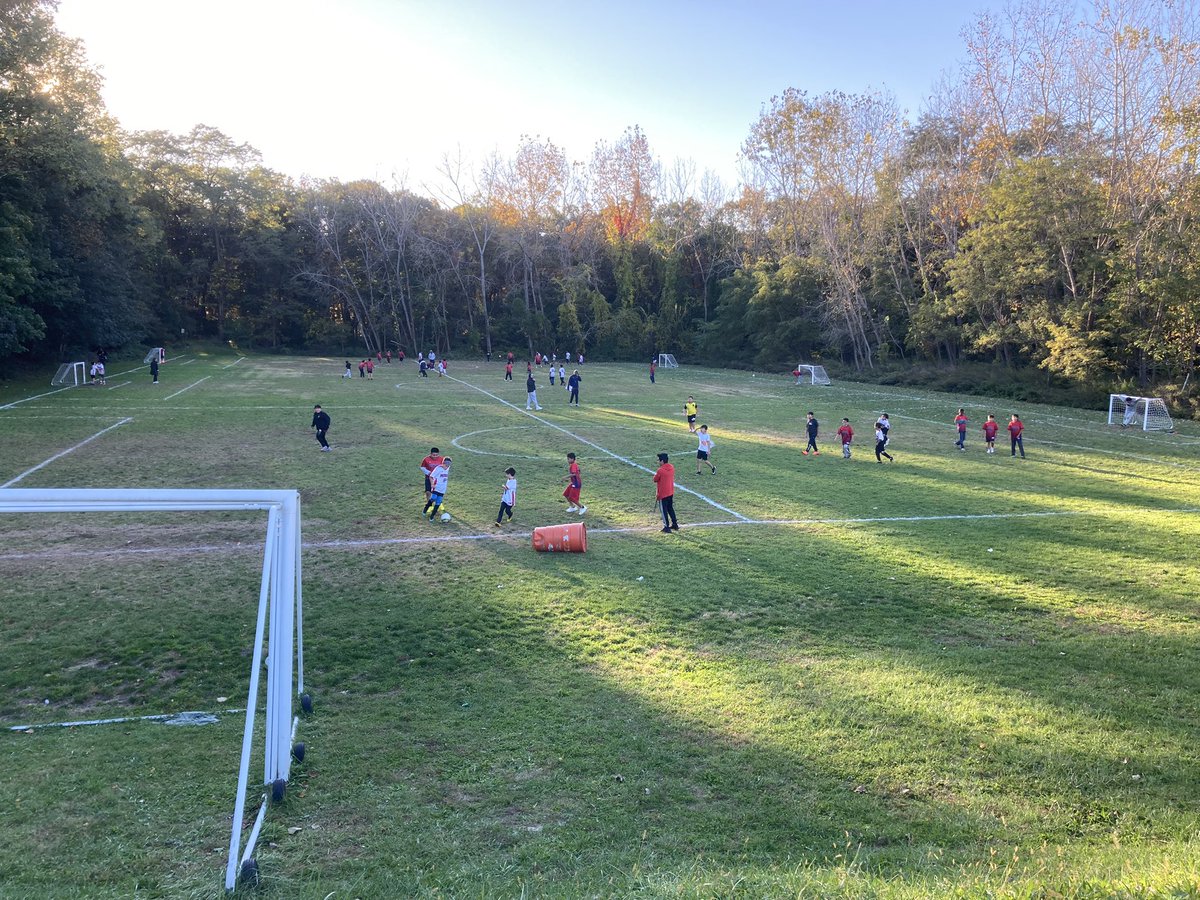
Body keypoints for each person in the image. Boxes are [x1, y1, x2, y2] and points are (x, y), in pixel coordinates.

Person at [654, 452, 679, 532]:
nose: (658, 462)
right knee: (670, 508)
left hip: (663, 493)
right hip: (670, 492)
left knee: (663, 510)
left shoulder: (660, 470)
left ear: (662, 461)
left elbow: (655, 479)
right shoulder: (671, 467)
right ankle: (675, 524)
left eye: (658, 460)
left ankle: (666, 527)